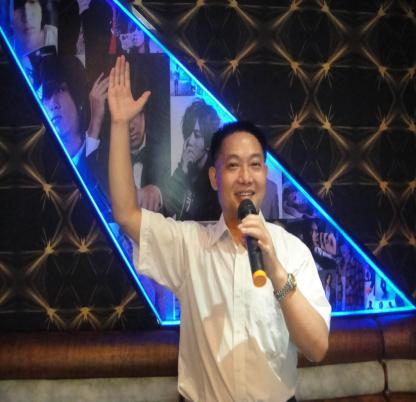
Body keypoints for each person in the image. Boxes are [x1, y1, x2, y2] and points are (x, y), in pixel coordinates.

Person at [108, 55, 330, 402]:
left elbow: (316, 348)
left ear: (264, 173)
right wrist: (120, 124)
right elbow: (125, 213)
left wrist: (275, 272)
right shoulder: (190, 245)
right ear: (214, 177)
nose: (245, 177)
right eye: (233, 166)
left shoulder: (292, 253)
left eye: (254, 165)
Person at [163, 99, 221, 221]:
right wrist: (182, 170)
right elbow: (166, 210)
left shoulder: (216, 179)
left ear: (208, 142)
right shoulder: (185, 168)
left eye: (197, 135)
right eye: (188, 133)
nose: (189, 141)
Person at [13, 0, 58, 84]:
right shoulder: (7, 50)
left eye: (32, 2)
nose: (26, 17)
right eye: (18, 7)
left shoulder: (61, 37)